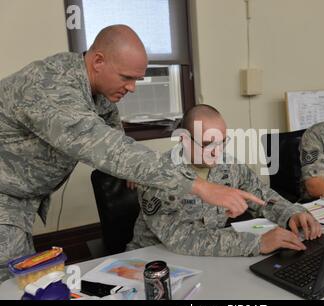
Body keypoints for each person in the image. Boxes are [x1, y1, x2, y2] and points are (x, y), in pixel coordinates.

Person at [0, 25, 263, 282]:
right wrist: (201, 186)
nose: (133, 88)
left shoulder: (98, 92)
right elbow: (107, 146)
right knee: (8, 283)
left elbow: (115, 137)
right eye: (127, 77)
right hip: (5, 196)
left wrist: (130, 168)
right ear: (98, 61)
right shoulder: (51, 87)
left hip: (21, 198)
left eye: (137, 79)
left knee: (20, 278)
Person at [127, 104, 322, 256]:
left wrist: (291, 213)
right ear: (184, 139)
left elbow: (261, 194)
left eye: (222, 142)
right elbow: (182, 238)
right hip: (154, 261)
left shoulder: (227, 165)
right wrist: (256, 243)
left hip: (209, 257)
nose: (216, 151)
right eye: (207, 144)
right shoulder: (158, 174)